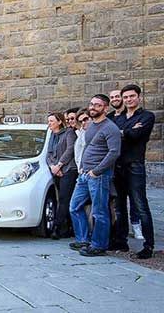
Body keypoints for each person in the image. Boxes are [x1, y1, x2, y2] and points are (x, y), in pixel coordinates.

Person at [68, 94, 121, 256]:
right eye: (91, 104)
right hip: (84, 175)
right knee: (74, 207)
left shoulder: (110, 128)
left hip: (99, 176)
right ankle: (83, 239)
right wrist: (83, 168)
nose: (93, 107)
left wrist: (96, 171)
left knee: (99, 211)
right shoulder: (91, 126)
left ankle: (99, 245)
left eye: (97, 105)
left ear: (105, 108)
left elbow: (114, 152)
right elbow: (87, 148)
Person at [111, 84, 156, 259]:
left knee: (140, 206)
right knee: (120, 207)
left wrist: (124, 132)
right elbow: (115, 134)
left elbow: (136, 136)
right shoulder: (119, 117)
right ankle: (121, 241)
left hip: (135, 166)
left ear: (138, 97)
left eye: (132, 96)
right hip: (118, 166)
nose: (128, 99)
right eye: (126, 97)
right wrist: (127, 131)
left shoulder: (146, 116)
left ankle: (148, 245)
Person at [46, 112, 78, 239]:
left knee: (65, 199)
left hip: (68, 170)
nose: (49, 123)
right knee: (62, 199)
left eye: (52, 121)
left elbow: (70, 149)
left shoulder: (69, 133)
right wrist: (52, 166)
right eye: (48, 121)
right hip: (56, 171)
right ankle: (68, 228)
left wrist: (59, 165)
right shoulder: (52, 135)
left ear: (59, 122)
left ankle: (56, 228)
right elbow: (49, 154)